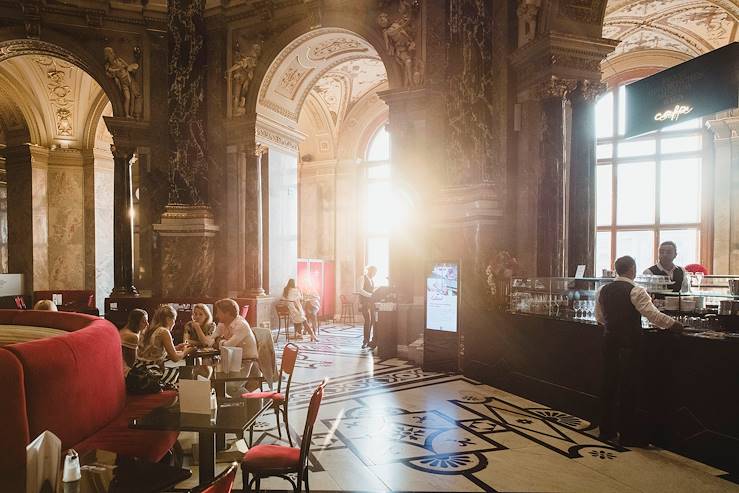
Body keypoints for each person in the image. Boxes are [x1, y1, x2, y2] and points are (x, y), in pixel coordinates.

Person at [595, 255, 682, 447]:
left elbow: (600, 318)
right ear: (632, 269)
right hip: (629, 345)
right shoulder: (636, 290)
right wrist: (674, 324)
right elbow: (652, 315)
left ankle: (605, 430)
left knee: (608, 386)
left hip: (609, 342)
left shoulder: (603, 289)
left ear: (617, 269)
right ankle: (627, 434)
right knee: (628, 389)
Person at [135, 304, 194, 385]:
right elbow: (175, 358)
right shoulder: (163, 331)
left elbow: (156, 351)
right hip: (151, 373)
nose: (174, 323)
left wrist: (176, 347)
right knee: (187, 373)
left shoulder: (151, 330)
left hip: (140, 369)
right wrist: (186, 351)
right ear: (168, 319)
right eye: (174, 320)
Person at [193, 298, 258, 360]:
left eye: (218, 312)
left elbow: (228, 346)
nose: (216, 316)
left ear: (227, 313)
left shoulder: (241, 325)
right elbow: (209, 341)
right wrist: (218, 341)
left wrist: (218, 341)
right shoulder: (222, 323)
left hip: (247, 360)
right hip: (230, 358)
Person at [120, 308, 147, 374]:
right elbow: (131, 363)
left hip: (121, 365)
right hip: (125, 370)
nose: (147, 324)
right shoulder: (132, 336)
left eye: (147, 321)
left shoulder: (126, 330)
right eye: (144, 322)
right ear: (136, 322)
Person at [358, 265, 377, 349]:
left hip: (371, 303)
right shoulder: (362, 278)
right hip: (365, 303)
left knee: (373, 321)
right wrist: (371, 295)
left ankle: (370, 341)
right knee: (367, 321)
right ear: (370, 271)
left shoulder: (372, 280)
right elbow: (360, 290)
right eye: (374, 272)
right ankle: (365, 341)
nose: (374, 274)